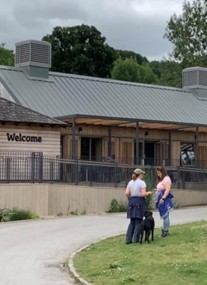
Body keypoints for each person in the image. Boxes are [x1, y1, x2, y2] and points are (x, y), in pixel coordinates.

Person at [125, 168, 152, 244]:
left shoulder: (130, 182)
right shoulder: (142, 183)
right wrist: (149, 193)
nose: (143, 175)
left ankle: (128, 239)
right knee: (138, 221)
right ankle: (136, 239)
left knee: (132, 222)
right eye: (142, 174)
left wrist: (130, 199)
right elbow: (143, 194)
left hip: (131, 201)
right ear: (140, 174)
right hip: (139, 202)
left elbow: (127, 193)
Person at [155, 166, 174, 237]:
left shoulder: (166, 179)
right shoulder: (162, 179)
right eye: (157, 173)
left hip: (164, 198)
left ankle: (165, 231)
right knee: (164, 215)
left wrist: (163, 198)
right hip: (161, 197)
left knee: (166, 215)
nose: (158, 174)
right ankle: (165, 230)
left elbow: (167, 189)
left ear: (162, 172)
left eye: (159, 173)